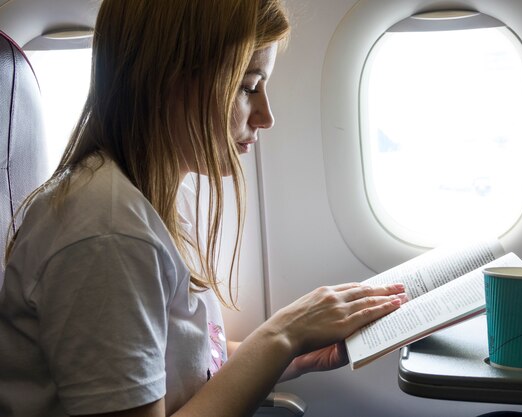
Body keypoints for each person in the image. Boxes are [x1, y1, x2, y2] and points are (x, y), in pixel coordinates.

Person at [0, 1, 408, 416]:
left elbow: (189, 362)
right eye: (248, 86)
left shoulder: (146, 199)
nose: (266, 117)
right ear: (168, 81)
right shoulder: (106, 235)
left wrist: (294, 351)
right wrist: (283, 334)